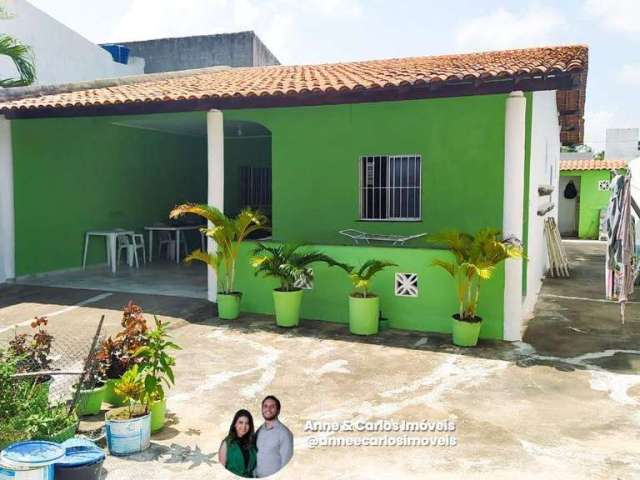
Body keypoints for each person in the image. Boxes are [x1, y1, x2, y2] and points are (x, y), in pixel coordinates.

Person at [254, 395, 294, 478]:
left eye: (272, 406)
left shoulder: (284, 433)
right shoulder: (259, 431)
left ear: (278, 411)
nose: (268, 409)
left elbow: (286, 465)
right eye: (265, 406)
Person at [218, 409, 257, 478]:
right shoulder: (226, 443)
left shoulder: (252, 443)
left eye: (247, 423)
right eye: (240, 422)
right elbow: (221, 472)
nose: (244, 426)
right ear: (234, 424)